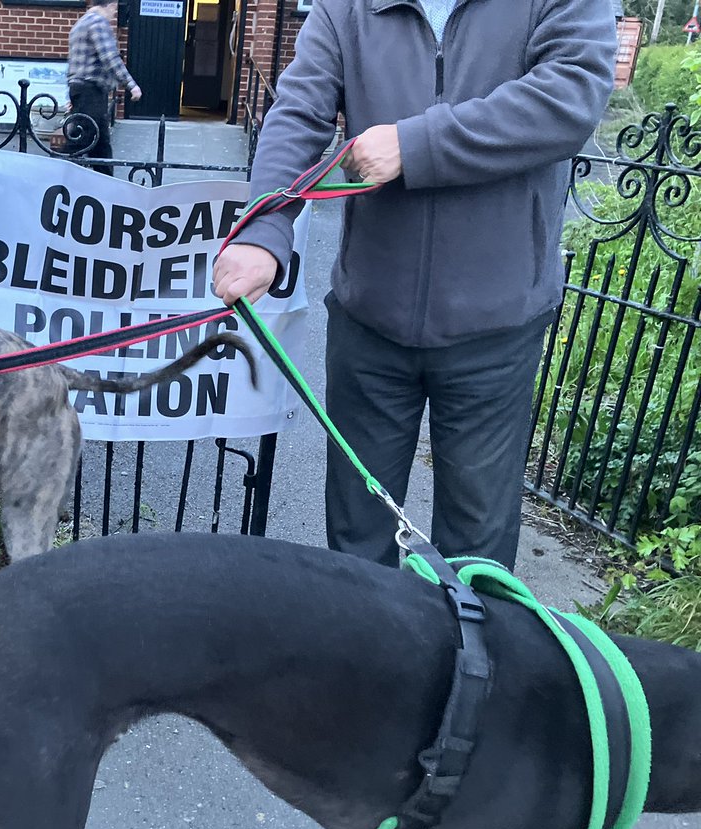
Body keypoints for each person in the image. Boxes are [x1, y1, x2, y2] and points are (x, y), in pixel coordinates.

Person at [212, 0, 617, 571]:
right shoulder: (345, 8)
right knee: (358, 538)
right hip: (369, 322)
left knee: (479, 549)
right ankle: (369, 659)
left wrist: (416, 145)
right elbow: (299, 112)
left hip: (495, 331)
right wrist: (264, 227)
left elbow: (569, 97)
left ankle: (471, 661)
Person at [66, 0, 143, 175]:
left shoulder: (80, 23)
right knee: (83, 139)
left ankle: (106, 185)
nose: (114, 13)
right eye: (114, 8)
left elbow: (72, 64)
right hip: (91, 91)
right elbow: (111, 59)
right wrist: (132, 85)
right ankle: (58, 177)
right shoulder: (98, 23)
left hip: (80, 88)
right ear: (108, 5)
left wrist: (71, 94)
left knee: (99, 142)